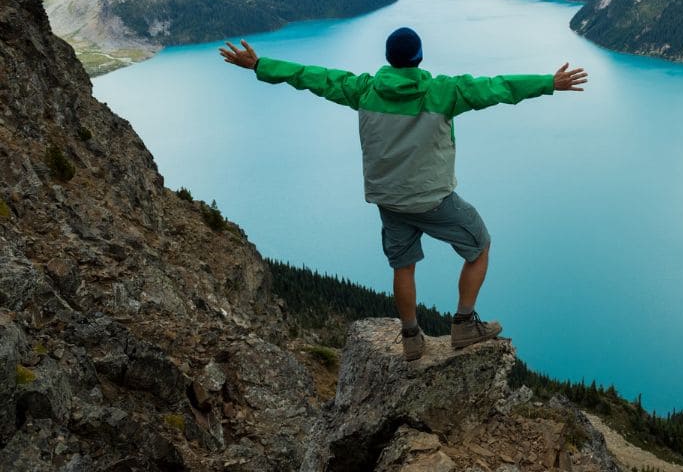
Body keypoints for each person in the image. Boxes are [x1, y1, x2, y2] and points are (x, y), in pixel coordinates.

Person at [219, 27, 587, 361]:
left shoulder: (363, 88)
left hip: (388, 200)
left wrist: (259, 65)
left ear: (389, 59)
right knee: (480, 245)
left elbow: (311, 77)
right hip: (433, 200)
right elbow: (497, 87)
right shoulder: (444, 91)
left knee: (403, 264)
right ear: (419, 58)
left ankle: (411, 336)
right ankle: (463, 324)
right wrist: (548, 82)